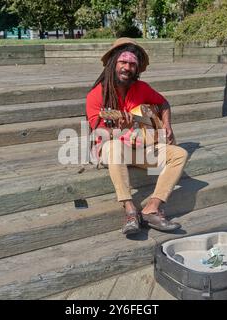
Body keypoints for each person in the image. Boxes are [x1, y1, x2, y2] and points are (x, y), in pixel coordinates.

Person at [86, 38, 189, 235]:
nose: (127, 67)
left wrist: (166, 125)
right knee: (114, 147)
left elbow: (163, 103)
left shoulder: (142, 89)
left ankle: (152, 208)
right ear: (113, 63)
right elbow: (99, 132)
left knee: (180, 154)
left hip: (140, 148)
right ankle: (130, 210)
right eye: (123, 62)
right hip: (111, 149)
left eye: (132, 64)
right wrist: (121, 130)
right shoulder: (97, 95)